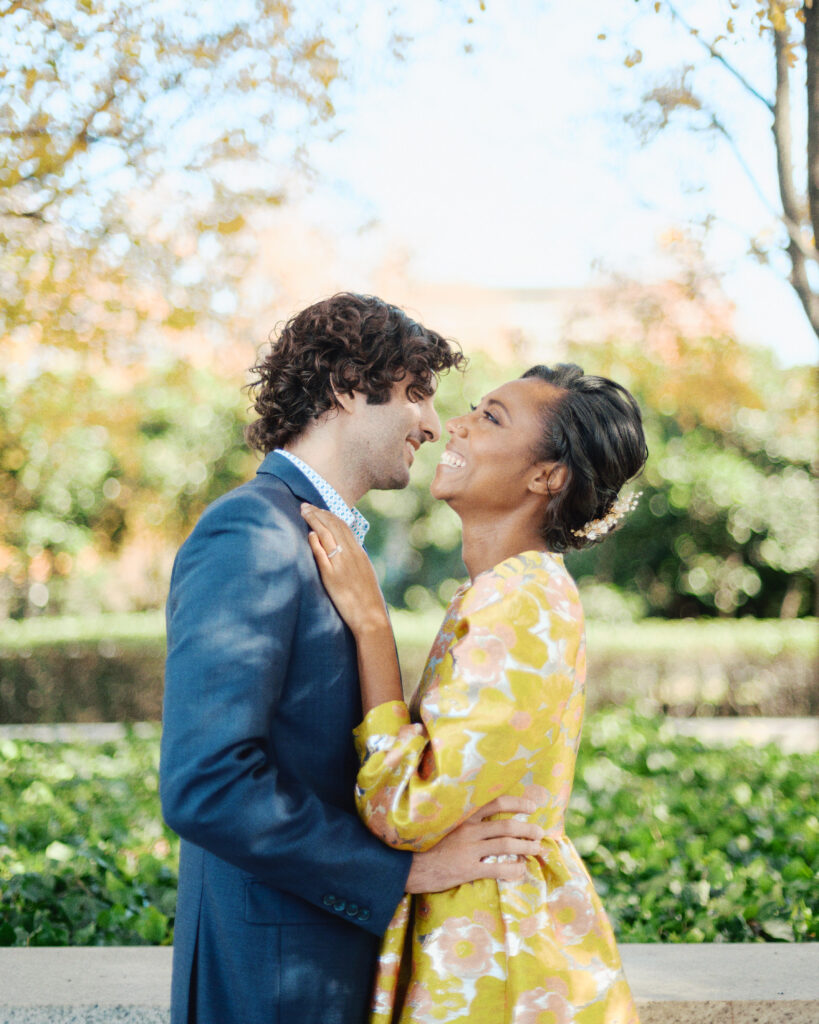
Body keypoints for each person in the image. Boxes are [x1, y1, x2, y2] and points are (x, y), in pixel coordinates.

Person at [159, 293, 546, 1024]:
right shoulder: (250, 532)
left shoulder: (323, 540)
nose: (433, 426)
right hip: (271, 979)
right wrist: (404, 871)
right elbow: (205, 782)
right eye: (415, 395)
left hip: (327, 963)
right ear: (344, 387)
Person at [301, 362, 648, 1024]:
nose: (451, 425)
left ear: (546, 476)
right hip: (484, 940)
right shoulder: (504, 591)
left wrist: (372, 625)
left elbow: (408, 808)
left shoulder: (520, 600)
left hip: (496, 958)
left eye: (489, 418)